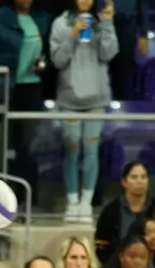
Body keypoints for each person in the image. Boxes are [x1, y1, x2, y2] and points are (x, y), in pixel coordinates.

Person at [49, 0, 118, 220]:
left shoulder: (101, 23)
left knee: (90, 152)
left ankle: (86, 204)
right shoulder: (60, 23)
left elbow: (109, 54)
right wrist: (73, 34)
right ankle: (72, 201)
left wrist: (107, 24)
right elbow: (58, 60)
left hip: (96, 100)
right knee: (71, 151)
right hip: (70, 99)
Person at [0, 0, 52, 186]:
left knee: (29, 144)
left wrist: (42, 64)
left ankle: (27, 193)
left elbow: (45, 50)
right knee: (7, 143)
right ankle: (5, 189)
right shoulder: (2, 17)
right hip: (8, 86)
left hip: (32, 87)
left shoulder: (41, 18)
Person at [94, 161, 154, 265]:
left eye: (143, 177)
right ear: (124, 182)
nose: (139, 181)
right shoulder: (111, 211)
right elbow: (101, 246)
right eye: (134, 177)